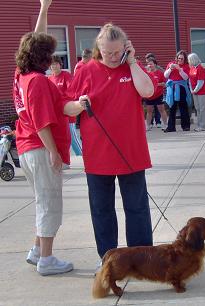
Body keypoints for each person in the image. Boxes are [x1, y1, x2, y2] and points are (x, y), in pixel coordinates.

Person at [66, 23, 154, 263]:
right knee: (102, 211)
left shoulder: (130, 68)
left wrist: (133, 62)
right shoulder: (85, 70)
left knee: (137, 208)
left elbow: (148, 91)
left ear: (126, 48)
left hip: (131, 153)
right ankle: (108, 259)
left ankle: (142, 258)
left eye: (117, 52)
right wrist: (79, 104)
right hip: (98, 155)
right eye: (107, 53)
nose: (113, 57)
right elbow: (67, 106)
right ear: (98, 49)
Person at [13, 0, 81, 275]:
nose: (53, 57)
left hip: (26, 147)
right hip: (41, 148)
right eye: (50, 54)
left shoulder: (21, 75)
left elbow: (35, 40)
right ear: (42, 58)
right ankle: (47, 260)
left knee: (42, 200)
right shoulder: (39, 82)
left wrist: (44, 8)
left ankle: (37, 251)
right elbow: (43, 121)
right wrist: (53, 151)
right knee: (50, 203)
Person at [49, 55, 82, 159]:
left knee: (72, 137)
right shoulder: (49, 79)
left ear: (60, 64)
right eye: (52, 64)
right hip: (56, 114)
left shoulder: (66, 75)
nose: (54, 66)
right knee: (60, 138)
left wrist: (62, 99)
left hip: (67, 112)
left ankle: (83, 157)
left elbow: (72, 90)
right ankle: (63, 159)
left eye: (56, 63)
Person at [164, 50, 191, 132]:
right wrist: (170, 69)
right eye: (179, 58)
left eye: (182, 59)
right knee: (172, 107)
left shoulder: (186, 66)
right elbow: (165, 75)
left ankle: (186, 126)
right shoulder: (171, 64)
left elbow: (186, 78)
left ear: (185, 59)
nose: (180, 60)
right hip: (172, 88)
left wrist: (180, 70)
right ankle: (171, 127)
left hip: (182, 87)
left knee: (183, 107)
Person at [144, 58, 168, 131]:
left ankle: (165, 124)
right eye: (148, 64)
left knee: (161, 109)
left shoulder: (160, 73)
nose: (149, 65)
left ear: (155, 64)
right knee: (149, 111)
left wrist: (156, 84)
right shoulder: (146, 73)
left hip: (158, 95)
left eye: (151, 63)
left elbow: (165, 84)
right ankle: (148, 126)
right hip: (149, 95)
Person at [188, 53, 205, 132]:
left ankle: (203, 126)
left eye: (189, 60)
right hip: (194, 92)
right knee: (197, 109)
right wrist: (191, 90)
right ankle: (199, 125)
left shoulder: (200, 68)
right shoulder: (192, 68)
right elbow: (190, 80)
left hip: (202, 92)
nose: (188, 61)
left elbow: (201, 82)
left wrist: (195, 90)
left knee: (202, 108)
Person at [145, 53, 162, 128]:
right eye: (147, 59)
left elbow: (163, 75)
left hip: (158, 92)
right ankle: (150, 123)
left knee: (158, 108)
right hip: (149, 92)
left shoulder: (158, 68)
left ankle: (158, 121)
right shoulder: (146, 68)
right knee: (149, 109)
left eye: (151, 59)